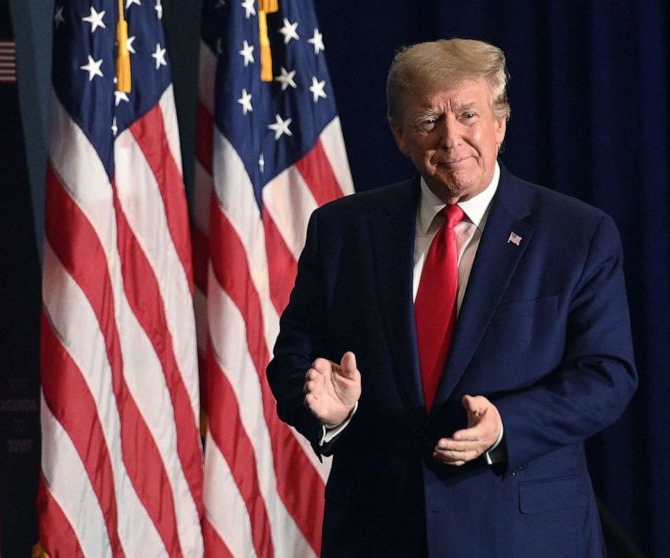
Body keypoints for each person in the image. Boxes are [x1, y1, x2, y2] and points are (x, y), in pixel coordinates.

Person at [267, 38, 637, 557]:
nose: (452, 138)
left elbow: (607, 375)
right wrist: (331, 415)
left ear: (500, 123)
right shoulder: (343, 231)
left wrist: (507, 425)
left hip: (522, 533)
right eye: (427, 122)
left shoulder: (576, 234)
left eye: (468, 114)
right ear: (400, 135)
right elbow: (293, 359)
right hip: (379, 532)